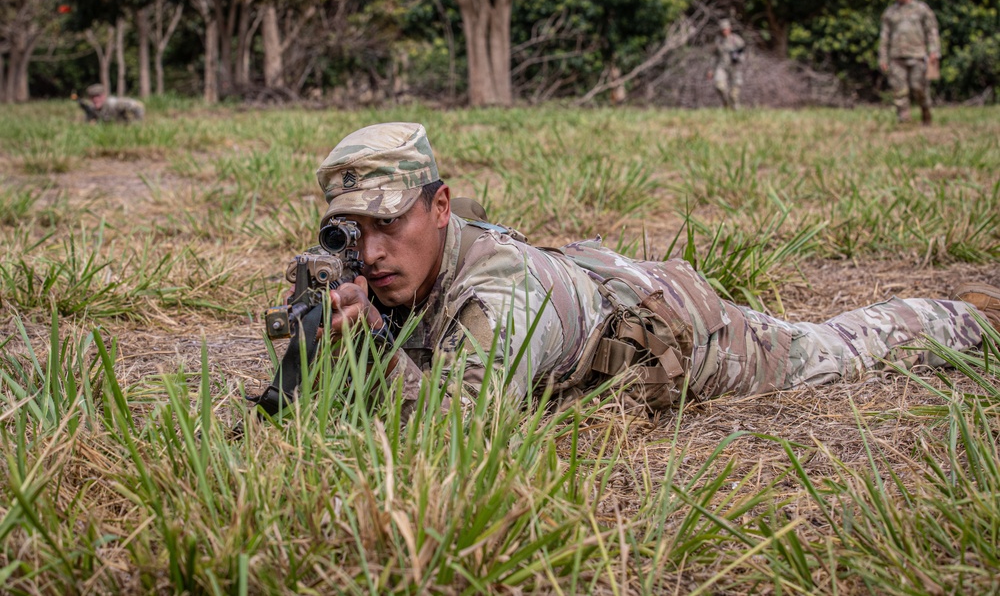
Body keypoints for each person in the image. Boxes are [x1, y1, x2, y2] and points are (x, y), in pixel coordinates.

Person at [292, 122, 997, 417]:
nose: (374, 251)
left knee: (831, 348)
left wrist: (373, 353)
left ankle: (962, 318)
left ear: (440, 205)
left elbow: (459, 433)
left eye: (391, 222)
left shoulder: (499, 293)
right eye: (356, 231)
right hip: (587, 290)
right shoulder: (383, 267)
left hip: (676, 330)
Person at [878, 0, 940, 125]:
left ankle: (926, 113)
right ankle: (904, 121)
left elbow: (932, 31)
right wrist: (883, 58)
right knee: (899, 90)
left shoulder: (921, 9)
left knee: (918, 87)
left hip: (917, 55)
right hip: (896, 56)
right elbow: (884, 36)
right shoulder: (890, 13)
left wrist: (934, 52)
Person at [708, 20, 746, 110]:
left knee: (734, 93)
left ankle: (735, 109)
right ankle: (726, 103)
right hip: (722, 66)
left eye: (726, 29)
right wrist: (711, 70)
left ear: (729, 29)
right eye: (722, 29)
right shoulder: (718, 41)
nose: (724, 31)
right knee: (719, 86)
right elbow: (714, 57)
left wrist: (738, 57)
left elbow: (743, 52)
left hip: (734, 66)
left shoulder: (736, 39)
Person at [77, 84, 145, 123]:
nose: (95, 99)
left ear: (104, 96)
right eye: (92, 97)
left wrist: (136, 122)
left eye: (98, 96)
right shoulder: (92, 108)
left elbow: (139, 106)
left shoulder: (114, 103)